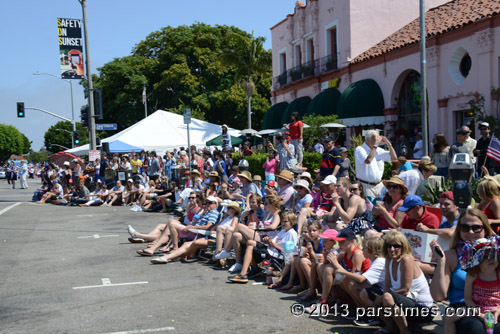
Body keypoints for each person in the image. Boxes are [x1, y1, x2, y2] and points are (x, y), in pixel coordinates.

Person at [430, 208, 497, 334]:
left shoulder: (494, 254)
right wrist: (441, 263)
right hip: (461, 307)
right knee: (476, 329)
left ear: (485, 229)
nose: (470, 232)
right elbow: (438, 296)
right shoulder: (451, 255)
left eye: (476, 228)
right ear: (459, 230)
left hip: (490, 305)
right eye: (465, 227)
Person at [377, 231, 434, 334]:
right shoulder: (389, 260)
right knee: (365, 293)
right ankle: (390, 326)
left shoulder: (406, 259)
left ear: (403, 247)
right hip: (405, 302)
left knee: (386, 297)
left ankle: (404, 331)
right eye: (388, 246)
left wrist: (382, 297)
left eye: (396, 246)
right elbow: (387, 286)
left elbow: (405, 290)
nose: (392, 249)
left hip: (422, 308)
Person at [228, 210, 297, 283]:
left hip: (278, 254)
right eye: (282, 221)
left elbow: (289, 252)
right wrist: (268, 240)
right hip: (272, 249)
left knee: (250, 244)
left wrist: (275, 246)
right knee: (250, 242)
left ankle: (243, 274)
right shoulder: (284, 231)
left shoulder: (291, 234)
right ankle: (255, 269)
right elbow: (275, 242)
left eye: (285, 222)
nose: (283, 223)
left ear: (292, 222)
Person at [449, 236, 500, 334]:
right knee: (453, 318)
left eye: (494, 255)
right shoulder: (472, 275)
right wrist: (479, 314)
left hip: (497, 309)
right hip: (477, 309)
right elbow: (468, 299)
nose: (491, 259)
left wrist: (498, 311)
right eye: (485, 256)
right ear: (477, 259)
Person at [332, 236, 386, 327]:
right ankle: (362, 310)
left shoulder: (379, 261)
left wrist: (341, 270)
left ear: (371, 250)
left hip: (385, 291)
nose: (362, 249)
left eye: (364, 247)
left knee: (355, 285)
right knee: (351, 283)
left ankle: (373, 316)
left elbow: (361, 279)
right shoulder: (374, 260)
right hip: (379, 288)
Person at [354, 130, 397, 199]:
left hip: (379, 185)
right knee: (369, 208)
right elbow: (368, 160)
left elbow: (394, 158)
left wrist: (389, 144)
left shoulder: (379, 150)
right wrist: (375, 146)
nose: (377, 140)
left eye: (378, 138)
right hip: (366, 185)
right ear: (367, 139)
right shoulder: (360, 149)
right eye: (375, 138)